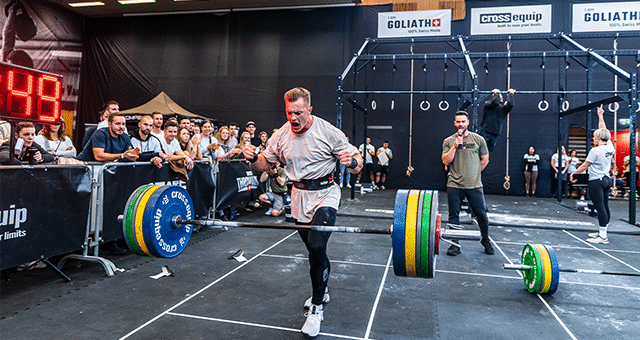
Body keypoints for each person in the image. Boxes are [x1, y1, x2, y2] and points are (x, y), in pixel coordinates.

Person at [243, 87, 362, 337]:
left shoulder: (329, 132)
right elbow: (267, 163)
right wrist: (253, 158)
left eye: (298, 112)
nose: (294, 118)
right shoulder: (281, 135)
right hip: (298, 195)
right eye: (289, 112)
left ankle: (317, 306)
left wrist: (352, 163)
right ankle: (324, 290)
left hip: (325, 193)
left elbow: (357, 164)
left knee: (317, 246)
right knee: (313, 250)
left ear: (309, 110)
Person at [442, 110, 493, 256]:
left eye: (463, 121)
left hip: (474, 185)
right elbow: (446, 161)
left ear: (468, 122)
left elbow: (485, 159)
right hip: (454, 185)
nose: (460, 124)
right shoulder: (448, 141)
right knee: (453, 216)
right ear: (454, 123)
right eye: (458, 122)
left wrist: (474, 174)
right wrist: (454, 146)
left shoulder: (478, 140)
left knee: (481, 214)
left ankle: (485, 240)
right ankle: (455, 245)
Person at [570, 105, 615, 244]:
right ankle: (603, 232)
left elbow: (585, 166)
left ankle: (603, 237)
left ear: (599, 138)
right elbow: (604, 131)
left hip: (596, 181)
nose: (593, 138)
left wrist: (573, 174)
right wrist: (600, 116)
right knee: (605, 206)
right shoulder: (609, 146)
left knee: (600, 208)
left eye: (595, 137)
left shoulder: (595, 151)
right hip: (607, 179)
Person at [478, 88, 515, 152]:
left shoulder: (503, 109)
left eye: (501, 97)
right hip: (485, 130)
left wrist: (510, 94)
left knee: (488, 151)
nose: (501, 99)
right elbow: (495, 103)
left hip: (495, 132)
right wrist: (497, 94)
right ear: (493, 98)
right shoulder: (488, 104)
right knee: (480, 149)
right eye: (499, 97)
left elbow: (510, 105)